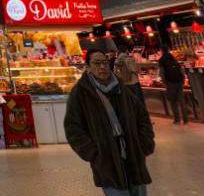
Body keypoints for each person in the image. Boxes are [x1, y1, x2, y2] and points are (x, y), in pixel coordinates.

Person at [64, 50, 155, 196]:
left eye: (105, 63)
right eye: (96, 63)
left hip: (134, 160)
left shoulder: (121, 88)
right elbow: (73, 128)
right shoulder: (81, 93)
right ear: (87, 67)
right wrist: (94, 153)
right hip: (108, 164)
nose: (102, 67)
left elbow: (142, 116)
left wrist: (144, 144)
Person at [157, 50, 187, 124]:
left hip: (170, 83)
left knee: (173, 101)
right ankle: (185, 119)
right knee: (181, 101)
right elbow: (181, 70)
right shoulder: (173, 58)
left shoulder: (162, 60)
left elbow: (162, 72)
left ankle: (177, 119)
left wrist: (164, 82)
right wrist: (182, 80)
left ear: (162, 51)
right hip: (179, 82)